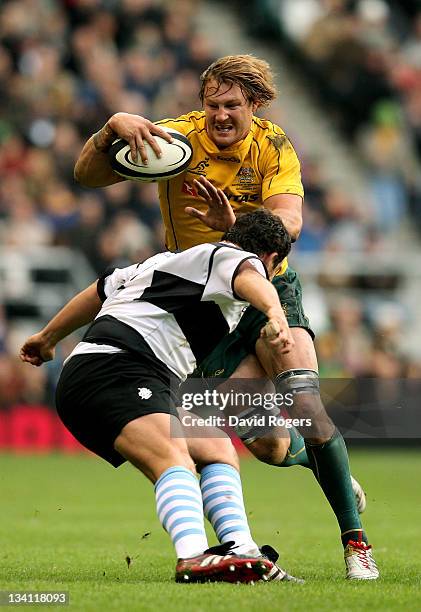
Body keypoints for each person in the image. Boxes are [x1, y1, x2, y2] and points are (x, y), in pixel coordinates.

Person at [73, 54, 378, 580]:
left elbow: (288, 223)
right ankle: (321, 463)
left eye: (232, 105)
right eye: (212, 104)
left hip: (267, 286)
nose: (219, 115)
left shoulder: (273, 145)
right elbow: (87, 176)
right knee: (271, 445)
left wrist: (236, 227)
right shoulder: (176, 140)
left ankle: (356, 545)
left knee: (306, 401)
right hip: (202, 311)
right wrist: (108, 132)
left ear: (254, 105)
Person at [20, 209, 296, 584]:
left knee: (216, 446)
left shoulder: (161, 263)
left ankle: (242, 552)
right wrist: (276, 313)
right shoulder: (234, 258)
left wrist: (47, 338)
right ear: (271, 259)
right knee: (172, 454)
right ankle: (193, 557)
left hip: (112, 371)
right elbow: (250, 277)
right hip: (117, 369)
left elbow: (97, 291)